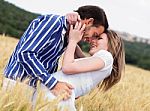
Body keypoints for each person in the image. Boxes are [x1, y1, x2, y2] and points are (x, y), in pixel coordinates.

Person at [3, 5, 109, 99]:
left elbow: (80, 63)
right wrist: (53, 84)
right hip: (17, 85)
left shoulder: (68, 36)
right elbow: (25, 54)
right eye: (94, 34)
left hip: (35, 89)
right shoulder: (53, 23)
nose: (90, 40)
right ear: (88, 21)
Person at [33, 22, 125, 110]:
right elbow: (80, 57)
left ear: (113, 44)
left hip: (55, 98)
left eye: (99, 38)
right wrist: (73, 39)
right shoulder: (98, 63)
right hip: (53, 96)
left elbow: (67, 67)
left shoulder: (106, 56)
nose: (93, 41)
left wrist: (73, 41)